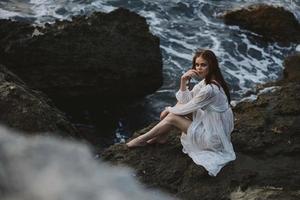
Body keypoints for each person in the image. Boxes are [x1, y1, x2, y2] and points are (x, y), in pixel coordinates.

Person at [126, 49, 236, 176]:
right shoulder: (206, 82)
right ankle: (161, 137)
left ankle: (141, 139)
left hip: (213, 139)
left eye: (203, 65)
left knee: (171, 117)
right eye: (197, 65)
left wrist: (168, 109)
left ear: (212, 65)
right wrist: (183, 81)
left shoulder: (210, 89)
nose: (199, 68)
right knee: (171, 112)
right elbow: (185, 101)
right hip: (211, 125)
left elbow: (186, 108)